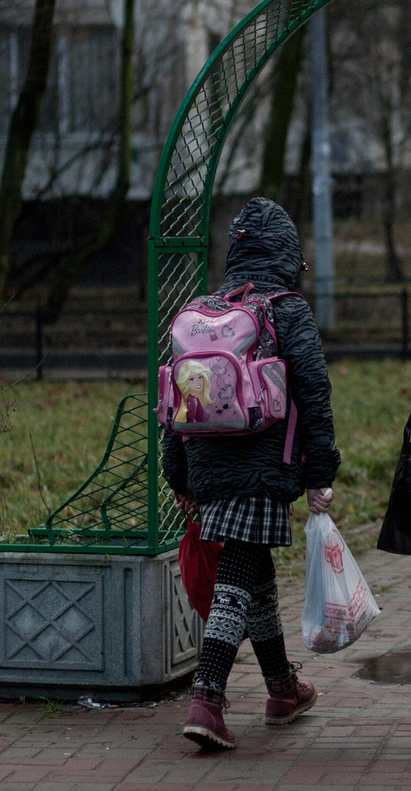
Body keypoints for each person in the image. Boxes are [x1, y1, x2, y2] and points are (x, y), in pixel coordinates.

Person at [163, 197, 341, 750]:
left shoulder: (201, 310)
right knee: (237, 574)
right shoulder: (287, 309)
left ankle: (283, 688)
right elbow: (313, 393)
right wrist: (322, 472)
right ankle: (208, 697)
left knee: (252, 566)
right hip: (265, 465)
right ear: (289, 254)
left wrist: (180, 477)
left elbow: (172, 401)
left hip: (208, 461)